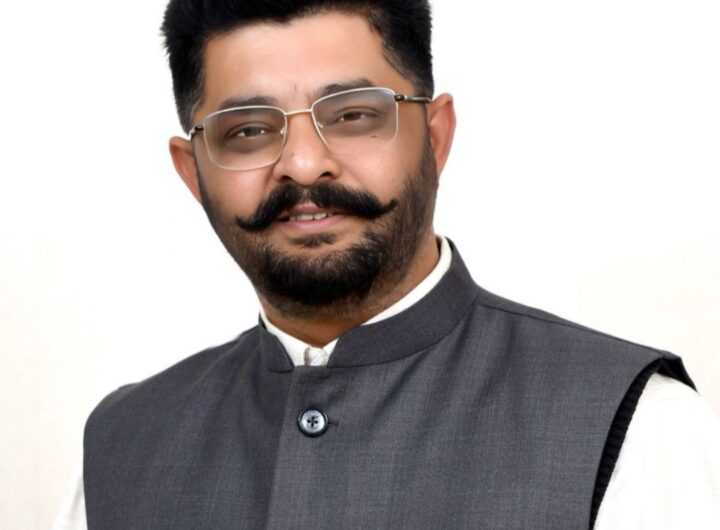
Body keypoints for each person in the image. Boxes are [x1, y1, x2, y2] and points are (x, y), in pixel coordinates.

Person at [53, 1, 720, 528]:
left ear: (435, 136)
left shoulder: (635, 426)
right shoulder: (120, 448)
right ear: (193, 173)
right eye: (249, 131)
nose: (304, 164)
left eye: (352, 115)